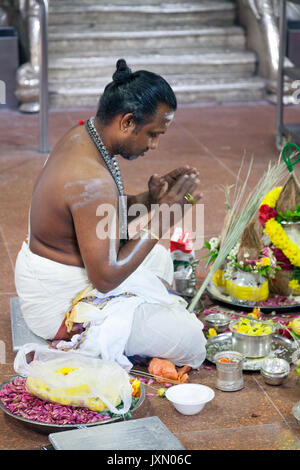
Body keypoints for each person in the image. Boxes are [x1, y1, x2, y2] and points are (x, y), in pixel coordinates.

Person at [15, 59, 207, 370]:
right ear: (127, 122)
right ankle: (105, 336)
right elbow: (104, 279)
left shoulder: (84, 136)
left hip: (58, 268)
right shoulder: (90, 178)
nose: (155, 145)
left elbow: (96, 216)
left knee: (158, 259)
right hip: (58, 303)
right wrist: (163, 220)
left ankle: (137, 328)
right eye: (152, 134)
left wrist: (149, 200)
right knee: (191, 341)